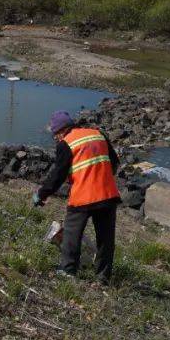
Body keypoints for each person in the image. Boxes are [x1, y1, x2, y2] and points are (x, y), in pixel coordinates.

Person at [33, 110, 121, 282]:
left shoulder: (66, 143)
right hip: (108, 195)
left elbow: (57, 176)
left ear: (61, 131)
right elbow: (114, 163)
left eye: (55, 135)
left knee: (72, 233)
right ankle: (103, 278)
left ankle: (68, 271)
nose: (56, 139)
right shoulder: (98, 134)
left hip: (84, 197)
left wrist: (41, 194)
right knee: (105, 239)